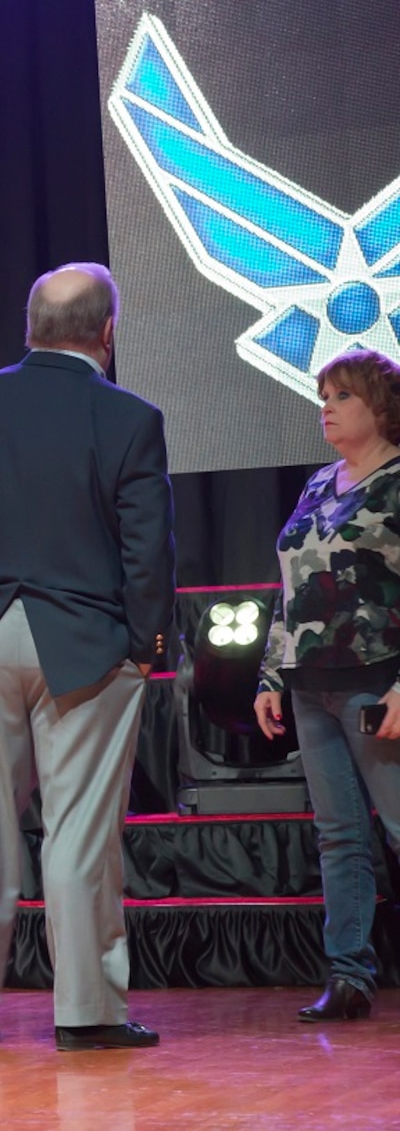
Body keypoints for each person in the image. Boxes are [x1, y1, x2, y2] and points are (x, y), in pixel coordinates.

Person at [0, 262, 174, 1051]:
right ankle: (85, 1010)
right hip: (88, 640)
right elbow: (146, 550)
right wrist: (145, 643)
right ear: (108, 332)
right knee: (77, 829)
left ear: (29, 326)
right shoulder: (129, 417)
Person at [253, 349, 400, 1023]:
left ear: (379, 406)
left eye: (342, 395)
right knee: (338, 834)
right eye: (324, 397)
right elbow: (290, 587)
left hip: (376, 683)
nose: (328, 408)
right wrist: (269, 674)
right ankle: (348, 975)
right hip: (309, 684)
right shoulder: (317, 483)